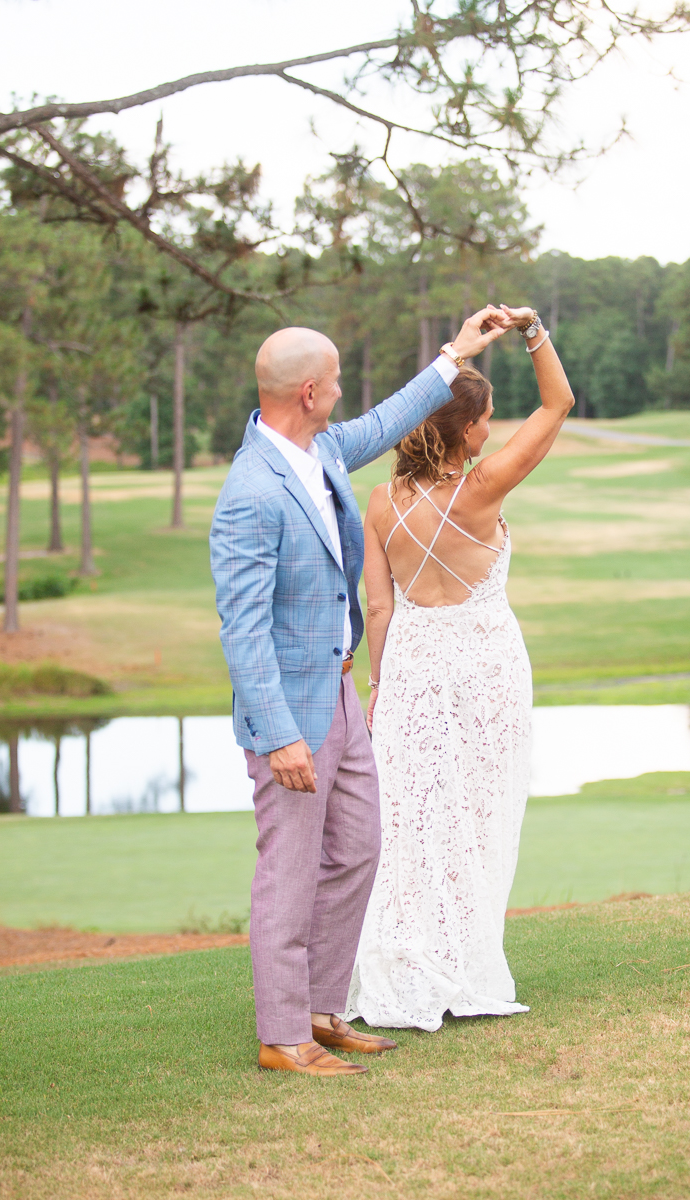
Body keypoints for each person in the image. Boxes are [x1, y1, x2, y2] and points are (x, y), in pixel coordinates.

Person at [209, 312, 510, 1076]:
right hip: (292, 721)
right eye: (336, 382)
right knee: (289, 869)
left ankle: (318, 1009)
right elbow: (242, 630)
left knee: (359, 851)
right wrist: (278, 735)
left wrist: (456, 354)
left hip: (342, 698)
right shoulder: (250, 491)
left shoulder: (324, 451)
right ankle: (283, 1038)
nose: (344, 394)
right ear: (309, 392)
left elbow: (388, 419)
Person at [345, 304, 575, 1032]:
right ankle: (465, 964)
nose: (491, 431)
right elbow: (559, 403)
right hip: (485, 670)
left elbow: (378, 611)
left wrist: (378, 688)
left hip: (411, 673)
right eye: (484, 422)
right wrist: (534, 331)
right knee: (478, 815)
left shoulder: (379, 504)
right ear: (463, 431)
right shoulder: (484, 490)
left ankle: (413, 965)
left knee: (414, 823)